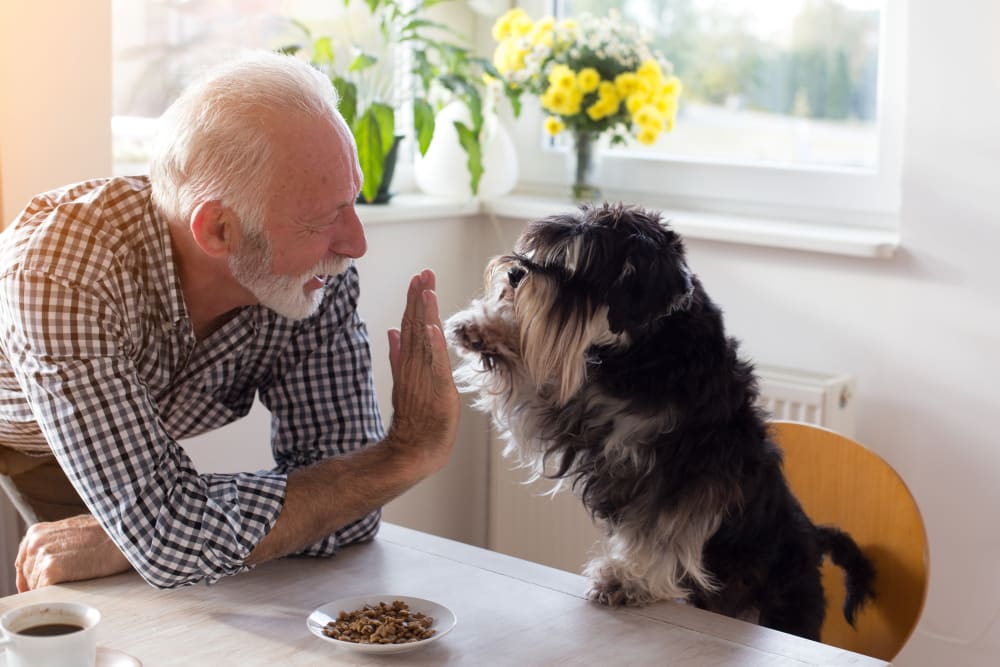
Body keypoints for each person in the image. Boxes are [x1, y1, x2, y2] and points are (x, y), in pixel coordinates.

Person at [0, 50, 460, 591]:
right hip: (19, 433)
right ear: (218, 230)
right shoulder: (63, 271)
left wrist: (155, 531)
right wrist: (408, 453)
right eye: (324, 218)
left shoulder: (312, 277)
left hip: (119, 432)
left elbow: (352, 507)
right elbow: (172, 540)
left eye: (352, 201)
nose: (356, 243)